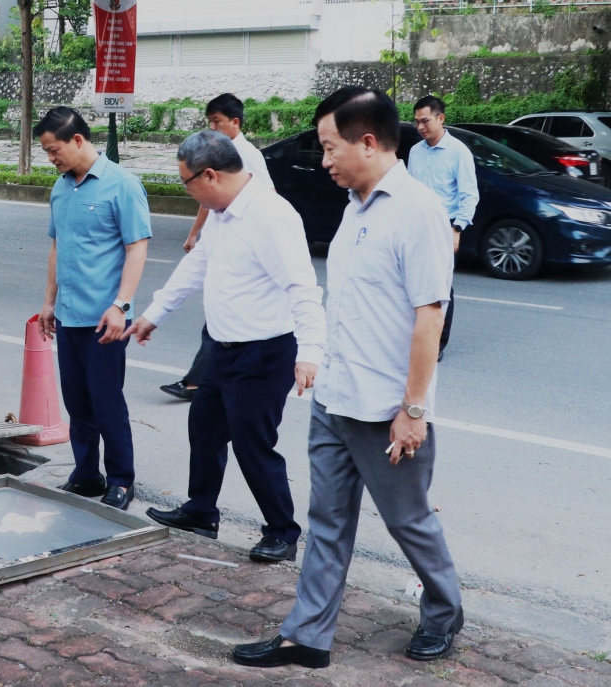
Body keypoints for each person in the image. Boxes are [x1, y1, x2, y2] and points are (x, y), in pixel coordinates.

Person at [233, 87, 463, 669]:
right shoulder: (356, 207)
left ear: (368, 141)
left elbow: (429, 316)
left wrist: (413, 409)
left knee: (408, 522)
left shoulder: (419, 211)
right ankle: (307, 636)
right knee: (327, 523)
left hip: (385, 410)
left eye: (332, 148)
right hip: (335, 399)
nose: (325, 161)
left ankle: (443, 612)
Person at [125, 130, 325, 563]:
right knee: (206, 429)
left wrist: (310, 351)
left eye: (186, 183)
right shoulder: (223, 212)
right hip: (223, 348)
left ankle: (282, 532)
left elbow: (303, 286)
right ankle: (201, 512)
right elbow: (196, 264)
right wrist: (155, 313)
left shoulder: (271, 215)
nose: (187, 191)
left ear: (210, 176)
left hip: (264, 351)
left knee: (253, 445)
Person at [35, 106, 151, 511]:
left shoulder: (122, 184)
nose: (51, 158)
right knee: (77, 402)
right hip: (68, 315)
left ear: (78, 140)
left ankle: (121, 479)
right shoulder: (61, 187)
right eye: (46, 152)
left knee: (106, 402)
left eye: (54, 150)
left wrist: (121, 305)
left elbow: (137, 246)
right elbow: (57, 245)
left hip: (107, 319)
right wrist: (49, 302)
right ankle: (86, 473)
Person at [160, 93, 276, 402]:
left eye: (217, 122)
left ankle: (200, 382)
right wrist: (197, 232)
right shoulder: (219, 152)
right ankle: (202, 382)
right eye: (209, 122)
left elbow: (270, 194)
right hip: (221, 234)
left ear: (235, 122)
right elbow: (210, 198)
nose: (212, 127)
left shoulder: (245, 155)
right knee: (216, 311)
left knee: (220, 316)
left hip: (242, 241)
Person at [409, 95, 478, 361]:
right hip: (416, 224)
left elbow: (469, 194)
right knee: (412, 282)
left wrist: (457, 228)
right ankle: (414, 336)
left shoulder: (458, 151)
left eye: (425, 121)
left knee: (439, 288)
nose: (420, 127)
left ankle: (436, 343)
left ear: (441, 118)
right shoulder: (416, 152)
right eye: (416, 123)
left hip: (444, 225)